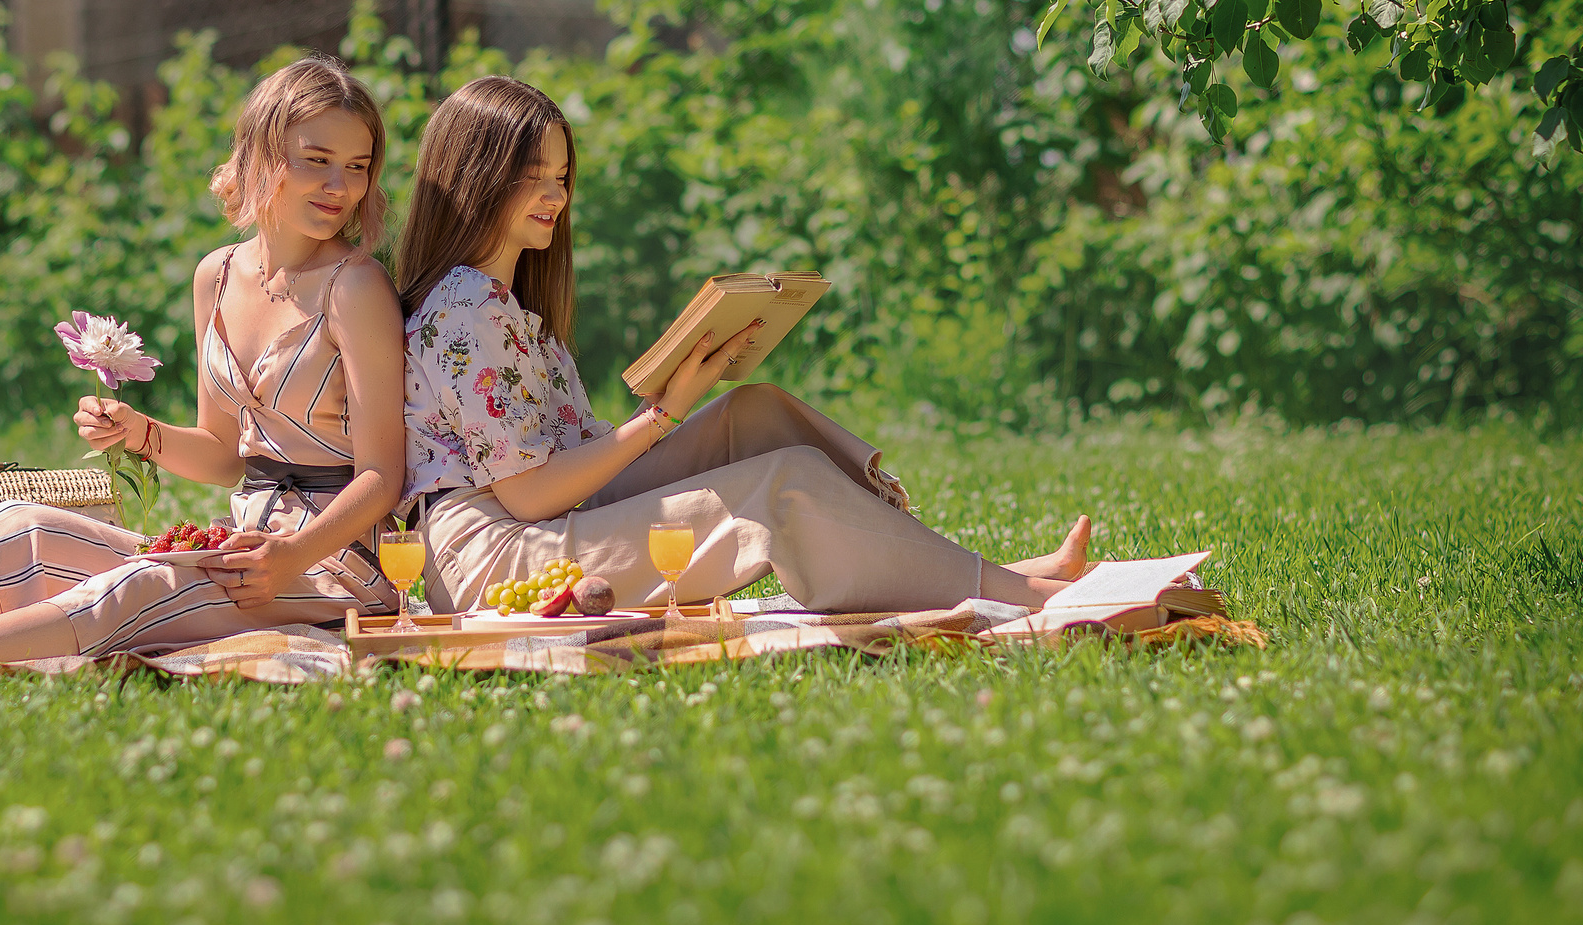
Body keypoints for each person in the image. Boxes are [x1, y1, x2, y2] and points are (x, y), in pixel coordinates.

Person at [395, 75, 1092, 616]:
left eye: (562, 176)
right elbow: (528, 495)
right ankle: (1020, 594)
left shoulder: (507, 307)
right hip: (495, 560)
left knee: (753, 413)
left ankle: (974, 570)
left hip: (544, 522)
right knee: (778, 488)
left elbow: (561, 468)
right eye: (532, 177)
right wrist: (661, 416)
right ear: (477, 176)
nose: (555, 196)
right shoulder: (466, 310)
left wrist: (678, 394)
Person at [0, 56, 408, 665]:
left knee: (138, 587)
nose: (341, 187)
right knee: (23, 528)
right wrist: (140, 432)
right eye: (318, 160)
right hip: (239, 552)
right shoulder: (217, 276)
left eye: (357, 168)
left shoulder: (356, 288)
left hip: (336, 568)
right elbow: (226, 456)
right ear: (263, 157)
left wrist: (291, 557)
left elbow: (384, 475)